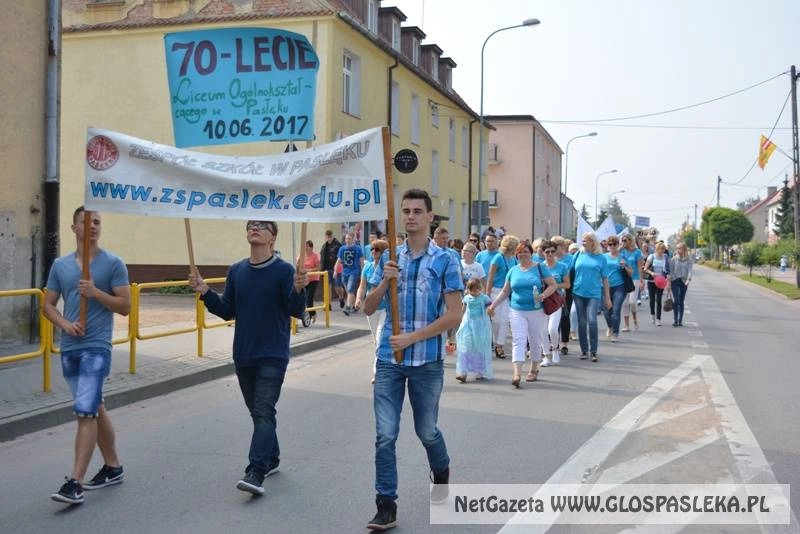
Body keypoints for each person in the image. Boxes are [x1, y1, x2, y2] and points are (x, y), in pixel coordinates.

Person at [363, 189, 463, 530]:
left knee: (426, 431)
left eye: (417, 211)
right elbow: (367, 307)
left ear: (430, 217)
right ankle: (386, 504)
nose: (410, 216)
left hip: (427, 361)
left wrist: (413, 337)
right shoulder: (390, 256)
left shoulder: (446, 260)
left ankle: (442, 470)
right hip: (390, 359)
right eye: (405, 210)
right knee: (385, 434)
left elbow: (454, 316)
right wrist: (383, 282)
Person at [188, 220, 307, 496]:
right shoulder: (237, 271)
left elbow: (294, 309)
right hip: (244, 354)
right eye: (251, 225)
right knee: (258, 411)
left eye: (263, 226)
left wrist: (299, 289)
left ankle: (256, 471)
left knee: (264, 410)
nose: (255, 228)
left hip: (273, 355)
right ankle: (272, 457)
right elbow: (228, 310)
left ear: (272, 239)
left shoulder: (284, 271)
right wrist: (205, 291)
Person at [45, 207, 131, 505]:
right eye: (86, 222)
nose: (93, 226)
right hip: (71, 347)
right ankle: (113, 466)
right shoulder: (61, 266)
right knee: (94, 406)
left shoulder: (113, 263)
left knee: (85, 411)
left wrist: (96, 293)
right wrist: (66, 324)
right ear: (74, 228)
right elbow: (48, 305)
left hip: (97, 347)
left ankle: (75, 482)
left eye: (97, 222)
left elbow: (125, 306)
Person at [488, 242, 557, 387]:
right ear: (516, 255)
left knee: (534, 340)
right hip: (517, 310)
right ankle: (517, 373)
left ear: (531, 253)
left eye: (526, 251)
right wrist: (493, 305)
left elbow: (553, 285)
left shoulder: (539, 267)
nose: (523, 254)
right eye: (520, 252)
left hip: (536, 311)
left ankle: (533, 369)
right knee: (518, 340)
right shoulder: (513, 270)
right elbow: (505, 291)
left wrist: (543, 295)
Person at [571, 232, 611, 362]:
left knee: (592, 320)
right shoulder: (578, 255)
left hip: (594, 294)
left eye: (586, 240)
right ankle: (584, 350)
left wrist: (607, 297)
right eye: (582, 240)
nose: (583, 242)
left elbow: (605, 279)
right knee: (582, 322)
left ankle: (594, 351)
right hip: (578, 293)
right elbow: (569, 272)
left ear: (593, 242)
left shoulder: (601, 258)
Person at [355, 239, 390, 383]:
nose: (374, 252)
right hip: (372, 308)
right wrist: (358, 299)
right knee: (376, 341)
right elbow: (362, 286)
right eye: (372, 249)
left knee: (380, 338)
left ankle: (377, 372)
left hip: (385, 308)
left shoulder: (387, 267)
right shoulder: (367, 267)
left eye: (377, 250)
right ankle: (386, 363)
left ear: (383, 253)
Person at [485, 234, 519, 359]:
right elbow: (491, 276)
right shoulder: (498, 258)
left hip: (508, 292)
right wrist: (487, 294)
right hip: (495, 291)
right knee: (495, 320)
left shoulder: (514, 259)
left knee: (504, 320)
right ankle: (494, 342)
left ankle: (499, 345)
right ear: (511, 246)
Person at [455, 278, 494, 383]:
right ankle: (463, 373)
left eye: (477, 289)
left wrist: (491, 311)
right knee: (465, 347)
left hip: (480, 326)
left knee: (479, 347)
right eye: (472, 290)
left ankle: (480, 370)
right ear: (468, 289)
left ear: (480, 288)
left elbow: (490, 308)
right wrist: (459, 320)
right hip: (468, 325)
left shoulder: (484, 298)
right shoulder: (467, 298)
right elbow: (463, 310)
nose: (474, 292)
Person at [539, 240, 570, 367]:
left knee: (552, 329)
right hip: (543, 300)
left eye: (553, 251)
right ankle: (546, 356)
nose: (550, 254)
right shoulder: (539, 266)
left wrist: (553, 285)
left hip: (557, 300)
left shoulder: (562, 266)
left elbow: (567, 284)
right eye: (547, 252)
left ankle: (555, 349)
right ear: (543, 253)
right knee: (543, 330)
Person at [601, 236, 632, 343]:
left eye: (615, 244)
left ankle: (615, 333)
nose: (612, 246)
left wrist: (625, 266)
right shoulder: (603, 257)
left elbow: (630, 272)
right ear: (607, 246)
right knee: (606, 310)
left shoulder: (622, 257)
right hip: (605, 287)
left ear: (618, 245)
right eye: (610, 244)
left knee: (615, 309)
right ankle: (610, 326)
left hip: (620, 286)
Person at [335, 232, 365, 315]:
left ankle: (348, 307)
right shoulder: (342, 248)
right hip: (344, 272)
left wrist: (363, 272)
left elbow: (361, 260)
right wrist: (335, 271)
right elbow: (338, 261)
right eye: (346, 239)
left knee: (350, 289)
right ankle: (356, 305)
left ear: (353, 239)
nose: (347, 240)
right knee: (349, 291)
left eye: (349, 239)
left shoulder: (358, 248)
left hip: (354, 271)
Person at [619, 233, 644, 331]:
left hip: (635, 278)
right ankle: (626, 325)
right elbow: (612, 255)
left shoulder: (637, 252)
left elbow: (639, 267)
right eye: (622, 240)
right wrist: (620, 247)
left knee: (632, 301)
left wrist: (642, 280)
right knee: (625, 303)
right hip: (624, 279)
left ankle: (634, 318)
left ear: (630, 241)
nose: (623, 242)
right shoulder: (621, 251)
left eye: (625, 240)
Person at [643, 242, 670, 326]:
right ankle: (652, 315)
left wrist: (668, 279)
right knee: (652, 300)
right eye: (660, 249)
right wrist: (651, 273)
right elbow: (645, 268)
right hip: (652, 281)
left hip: (661, 281)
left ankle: (658, 319)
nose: (662, 251)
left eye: (663, 249)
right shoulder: (652, 256)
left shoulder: (665, 257)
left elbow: (668, 270)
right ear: (656, 249)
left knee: (658, 300)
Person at [668, 242, 693, 326]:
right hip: (675, 281)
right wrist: (669, 282)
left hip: (684, 281)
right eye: (677, 248)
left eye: (680, 248)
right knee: (676, 300)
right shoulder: (673, 259)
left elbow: (690, 270)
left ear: (684, 249)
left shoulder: (689, 259)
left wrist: (688, 280)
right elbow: (670, 271)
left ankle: (680, 320)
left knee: (681, 301)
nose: (678, 250)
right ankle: (675, 320)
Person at [298, 240, 320, 323]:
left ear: (311, 247)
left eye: (307, 246)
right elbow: (297, 264)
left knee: (309, 298)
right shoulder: (302, 255)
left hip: (313, 279)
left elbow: (318, 267)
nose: (305, 248)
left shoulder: (315, 256)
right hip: (304, 279)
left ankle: (310, 315)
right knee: (302, 298)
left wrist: (309, 270)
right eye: (304, 246)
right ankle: (312, 313)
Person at [319, 230, 341, 309]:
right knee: (328, 287)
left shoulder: (337, 245)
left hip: (336, 269)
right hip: (327, 269)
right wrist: (321, 269)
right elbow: (322, 258)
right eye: (327, 236)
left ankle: (341, 297)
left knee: (337, 287)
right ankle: (328, 305)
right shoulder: (324, 246)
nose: (328, 238)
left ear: (332, 236)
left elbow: (340, 257)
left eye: (330, 236)